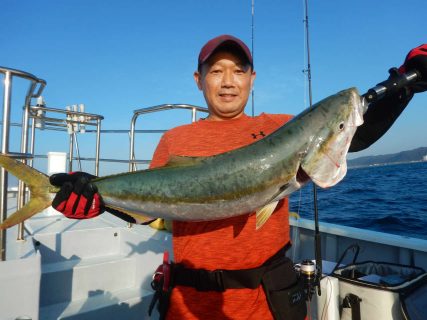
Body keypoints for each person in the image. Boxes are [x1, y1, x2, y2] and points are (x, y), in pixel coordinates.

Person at [50, 37, 427, 319]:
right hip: (190, 302)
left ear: (252, 78)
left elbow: (354, 135)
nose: (228, 81)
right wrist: (98, 200)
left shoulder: (276, 129)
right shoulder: (176, 139)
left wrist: (403, 85)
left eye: (238, 71)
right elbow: (152, 212)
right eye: (216, 71)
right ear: (199, 80)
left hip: (267, 299)